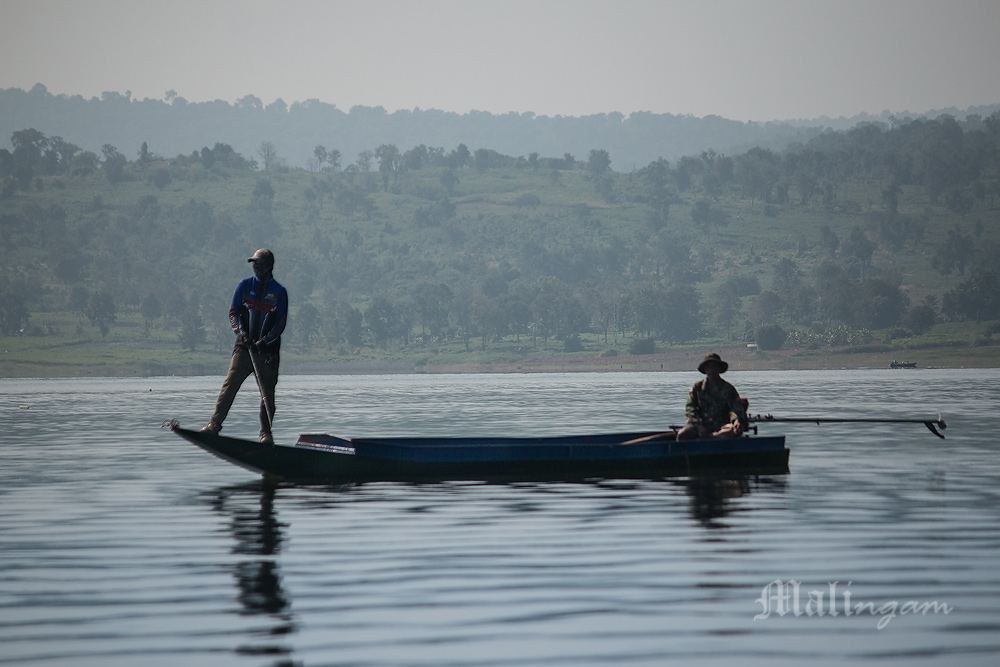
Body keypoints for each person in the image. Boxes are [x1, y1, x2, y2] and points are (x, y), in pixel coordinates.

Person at [203, 249, 288, 443]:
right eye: (254, 264)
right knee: (229, 385)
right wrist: (241, 332)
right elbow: (233, 313)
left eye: (259, 263)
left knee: (267, 395)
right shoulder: (244, 285)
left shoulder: (279, 292)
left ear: (268, 266)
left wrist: (264, 341)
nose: (255, 267)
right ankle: (214, 425)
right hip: (244, 348)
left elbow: (280, 323)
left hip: (267, 352)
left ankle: (265, 434)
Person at [677, 352, 749, 441]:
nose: (712, 369)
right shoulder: (697, 388)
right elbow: (690, 409)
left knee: (731, 431)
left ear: (719, 369)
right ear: (705, 369)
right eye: (709, 367)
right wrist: (699, 425)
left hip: (722, 425)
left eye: (715, 366)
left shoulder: (728, 388)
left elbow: (735, 409)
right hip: (700, 424)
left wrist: (736, 421)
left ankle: (713, 439)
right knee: (682, 435)